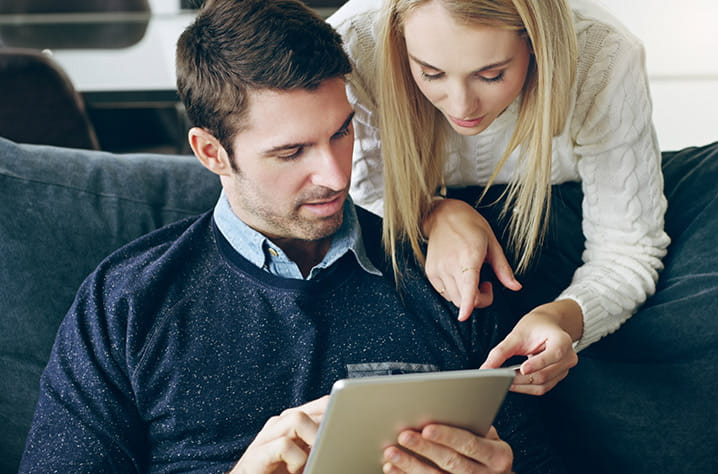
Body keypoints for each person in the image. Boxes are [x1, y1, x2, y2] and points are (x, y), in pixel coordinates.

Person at [19, 0, 562, 472]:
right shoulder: (127, 302)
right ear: (212, 152)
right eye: (291, 152)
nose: (335, 175)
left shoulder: (445, 274)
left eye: (342, 132)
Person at [327, 0, 671, 394]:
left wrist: (562, 318)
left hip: (559, 217)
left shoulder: (602, 54)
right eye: (430, 73)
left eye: (491, 75)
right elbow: (361, 200)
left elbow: (628, 248)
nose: (461, 106)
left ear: (536, 46)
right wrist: (434, 214)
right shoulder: (354, 45)